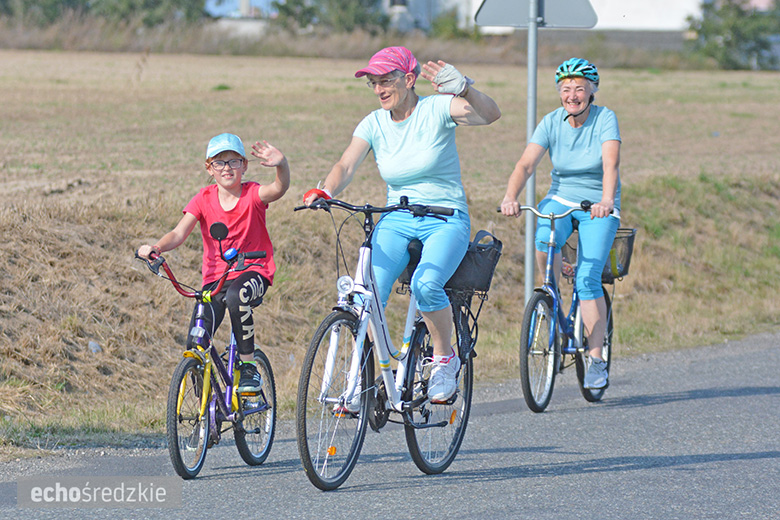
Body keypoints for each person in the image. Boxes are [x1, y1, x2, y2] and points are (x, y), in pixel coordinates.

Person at [304, 46, 500, 403]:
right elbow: (346, 164)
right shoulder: (373, 123)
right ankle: (366, 376)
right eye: (373, 82)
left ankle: (444, 359)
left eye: (386, 80)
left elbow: (490, 114)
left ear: (409, 79)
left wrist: (465, 89)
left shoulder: (436, 108)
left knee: (426, 285)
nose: (379, 89)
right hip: (397, 216)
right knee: (365, 294)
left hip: (445, 217)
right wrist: (325, 190)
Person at [499, 57, 621, 390]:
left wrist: (606, 201)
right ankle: (550, 296)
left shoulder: (605, 118)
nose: (572, 95)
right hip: (561, 198)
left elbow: (610, 165)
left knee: (587, 279)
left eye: (579, 89)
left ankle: (595, 359)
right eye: (566, 89)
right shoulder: (551, 121)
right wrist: (510, 196)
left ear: (591, 91)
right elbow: (526, 165)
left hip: (597, 203)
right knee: (543, 239)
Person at [138, 133, 290, 394]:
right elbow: (178, 233)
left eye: (233, 161)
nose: (227, 168)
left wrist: (282, 165)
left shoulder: (253, 194)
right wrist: (157, 247)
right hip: (215, 280)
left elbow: (279, 188)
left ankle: (248, 366)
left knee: (236, 296)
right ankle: (206, 410)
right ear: (209, 168)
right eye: (219, 163)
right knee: (195, 342)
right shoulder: (203, 199)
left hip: (253, 271)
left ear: (244, 165)